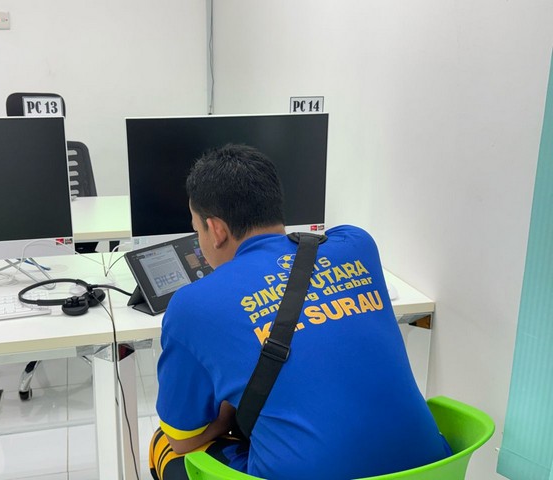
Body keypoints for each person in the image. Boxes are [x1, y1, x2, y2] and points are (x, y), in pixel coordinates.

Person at [149, 144, 451, 480]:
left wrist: (233, 410)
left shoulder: (193, 304)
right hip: (432, 468)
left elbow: (183, 438)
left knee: (162, 446)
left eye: (197, 230)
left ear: (216, 230)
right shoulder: (358, 244)